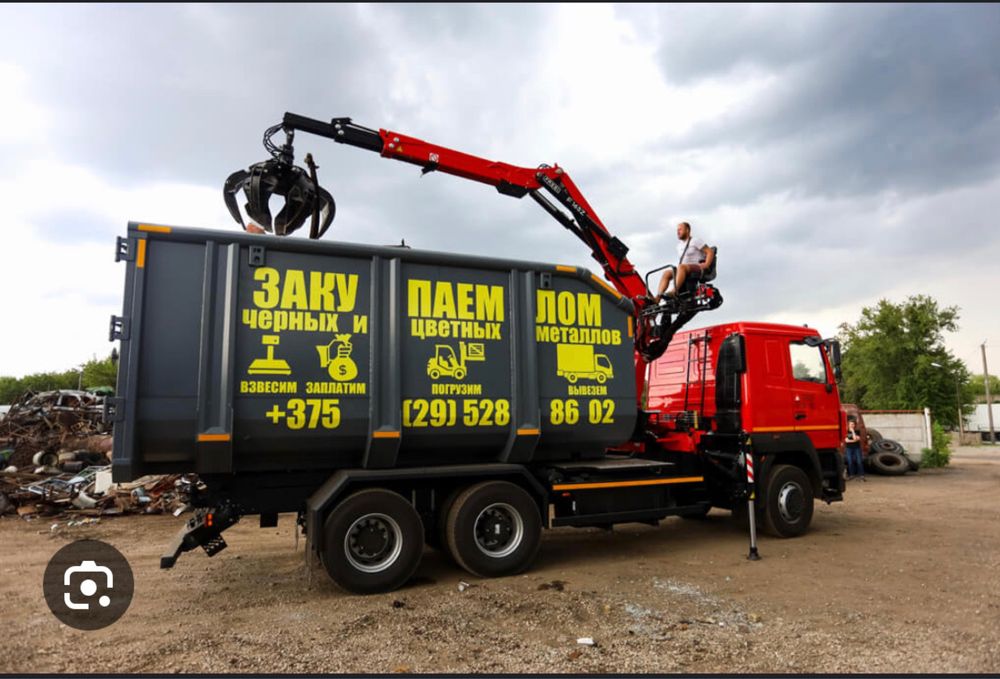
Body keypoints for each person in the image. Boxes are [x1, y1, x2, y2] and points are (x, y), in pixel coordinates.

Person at [656, 221, 714, 301]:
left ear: (687, 230)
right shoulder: (679, 245)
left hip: (697, 268)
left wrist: (707, 264)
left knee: (681, 267)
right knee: (667, 273)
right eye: (677, 230)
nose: (678, 232)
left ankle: (674, 292)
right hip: (684, 269)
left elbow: (710, 252)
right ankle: (657, 298)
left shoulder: (695, 240)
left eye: (680, 229)